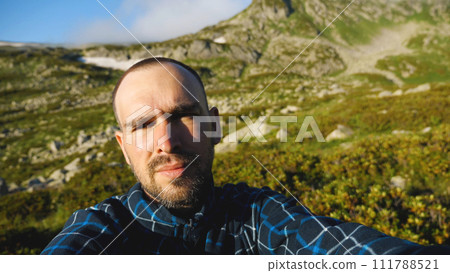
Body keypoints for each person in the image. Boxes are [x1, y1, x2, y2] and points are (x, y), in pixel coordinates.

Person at [42, 57, 449, 254]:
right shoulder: (99, 229)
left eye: (185, 115)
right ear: (123, 147)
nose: (166, 142)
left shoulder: (258, 214)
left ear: (214, 127)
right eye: (143, 125)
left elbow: (339, 248)